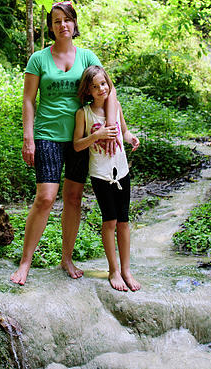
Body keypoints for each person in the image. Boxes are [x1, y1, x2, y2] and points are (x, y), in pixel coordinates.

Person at [11, 1, 120, 285]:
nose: (63, 25)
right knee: (45, 198)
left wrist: (110, 127)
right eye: (57, 21)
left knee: (73, 198)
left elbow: (110, 92)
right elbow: (28, 100)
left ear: (74, 24)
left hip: (81, 139)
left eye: (68, 20)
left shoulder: (87, 57)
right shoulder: (39, 59)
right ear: (50, 26)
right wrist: (28, 137)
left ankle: (67, 258)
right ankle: (25, 263)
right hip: (47, 135)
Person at [73, 65, 141, 291]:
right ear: (88, 91)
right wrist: (97, 135)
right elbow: (77, 145)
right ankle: (113, 269)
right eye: (94, 86)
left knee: (123, 221)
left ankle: (126, 270)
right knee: (109, 220)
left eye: (103, 84)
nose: (100, 89)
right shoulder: (84, 113)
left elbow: (124, 131)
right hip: (101, 174)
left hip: (122, 170)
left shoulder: (116, 106)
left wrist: (131, 138)